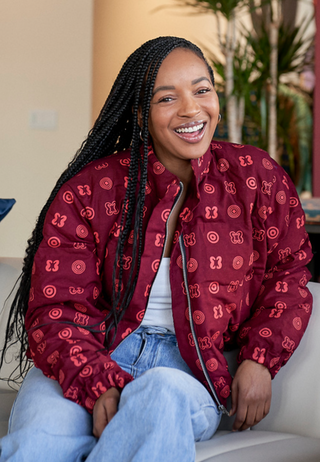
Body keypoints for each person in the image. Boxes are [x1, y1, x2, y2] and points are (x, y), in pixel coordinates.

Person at [0, 36, 313, 462]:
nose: (191, 109)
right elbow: (56, 304)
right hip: (88, 354)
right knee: (37, 443)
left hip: (190, 369)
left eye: (202, 90)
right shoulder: (91, 190)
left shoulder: (256, 178)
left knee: (161, 395)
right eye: (167, 98)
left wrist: (260, 358)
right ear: (139, 112)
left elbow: (289, 273)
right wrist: (96, 378)